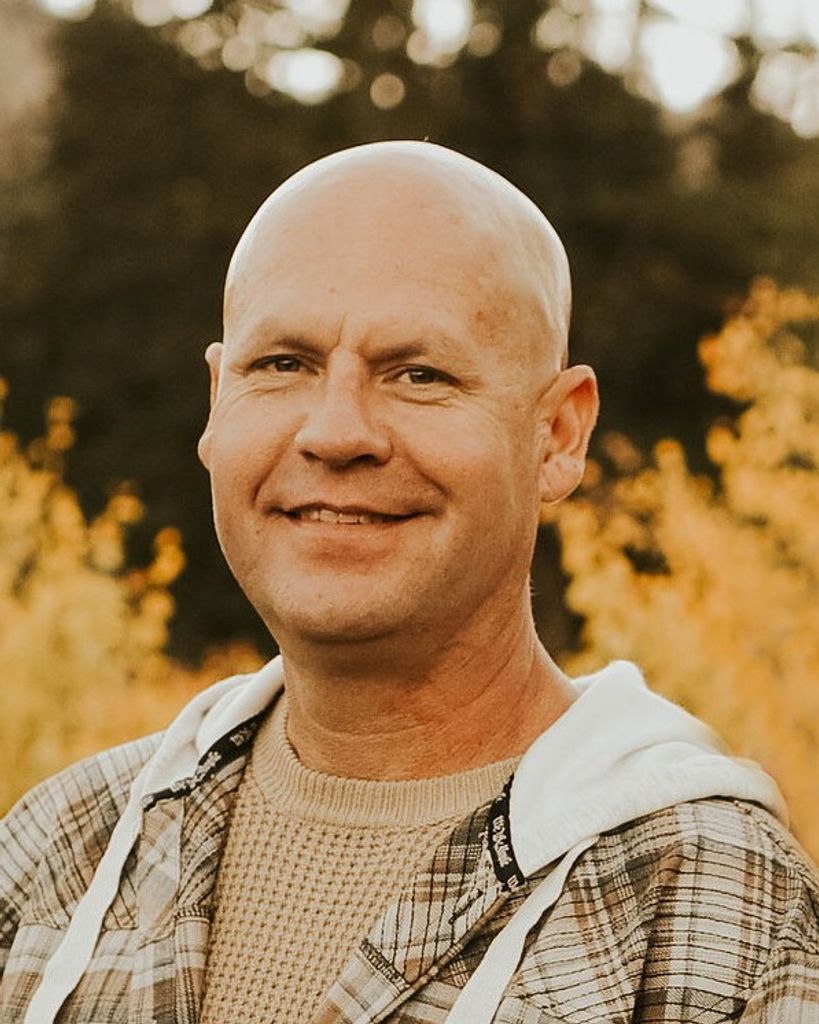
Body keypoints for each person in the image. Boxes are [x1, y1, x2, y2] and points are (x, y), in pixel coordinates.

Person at [1, 141, 817, 1024]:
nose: (334, 432)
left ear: (557, 435)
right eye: (282, 365)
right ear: (214, 402)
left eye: (418, 374)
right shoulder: (61, 852)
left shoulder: (711, 907)